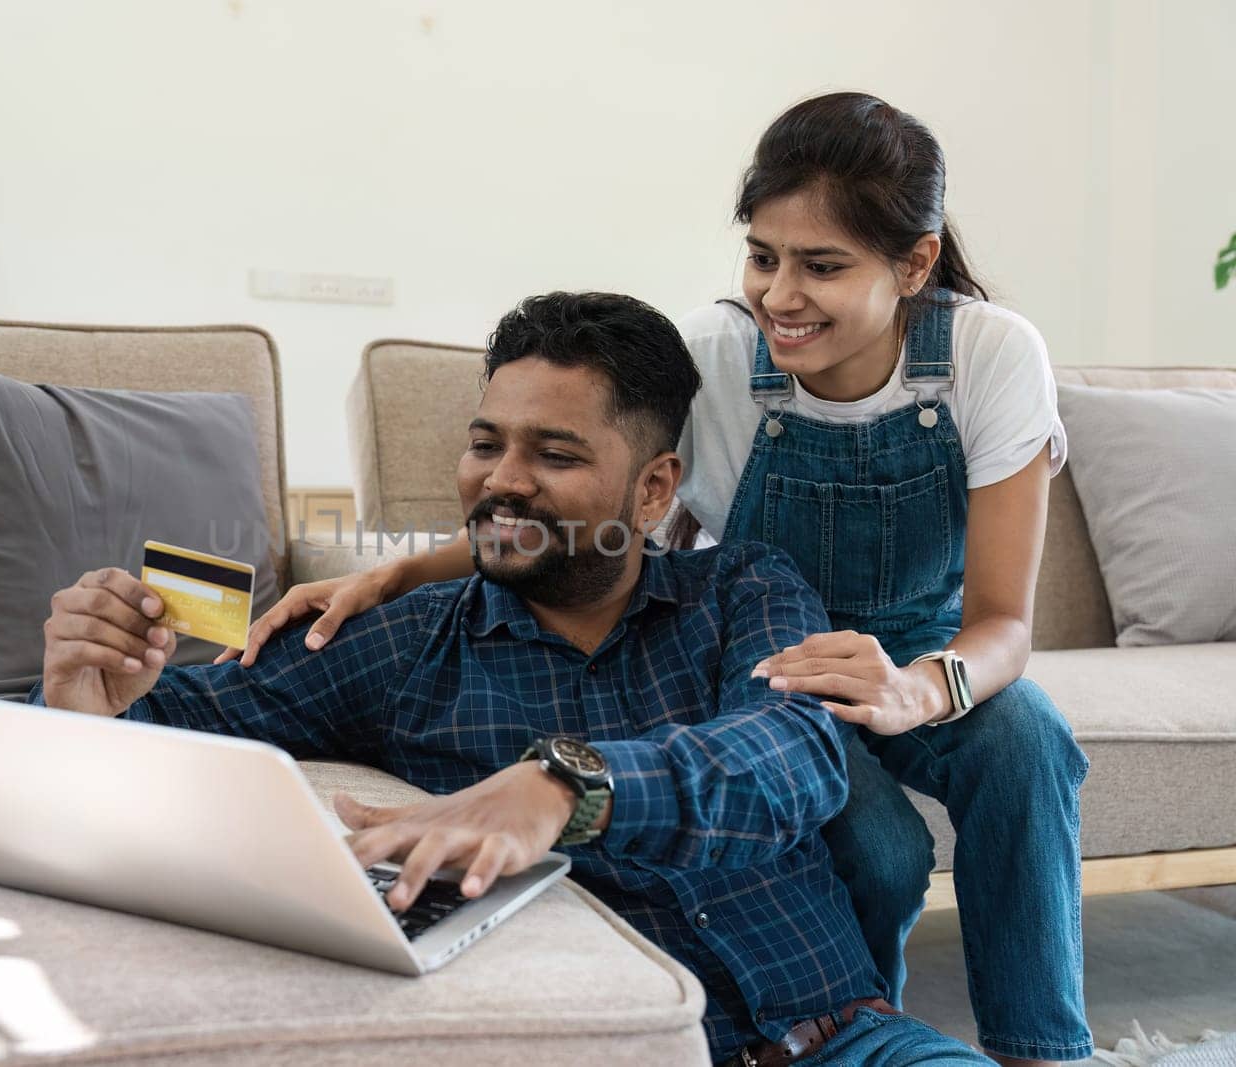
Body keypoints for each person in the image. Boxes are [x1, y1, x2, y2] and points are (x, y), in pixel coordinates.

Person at [224, 94, 1091, 1067]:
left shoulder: (986, 356)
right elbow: (586, 505)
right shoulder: (715, 359)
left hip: (924, 655)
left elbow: (1005, 623)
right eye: (763, 256)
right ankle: (856, 1022)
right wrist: (393, 573)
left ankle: (1040, 1050)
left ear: (915, 263)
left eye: (822, 265)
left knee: (1027, 737)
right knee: (879, 851)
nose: (780, 295)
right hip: (771, 659)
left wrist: (910, 688)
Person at [35, 291, 990, 1065]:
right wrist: (85, 695)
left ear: (654, 489)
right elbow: (179, 725)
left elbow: (794, 759)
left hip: (855, 1040)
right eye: (487, 442)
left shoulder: (743, 587)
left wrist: (566, 787)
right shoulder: (404, 646)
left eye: (556, 452)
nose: (502, 479)